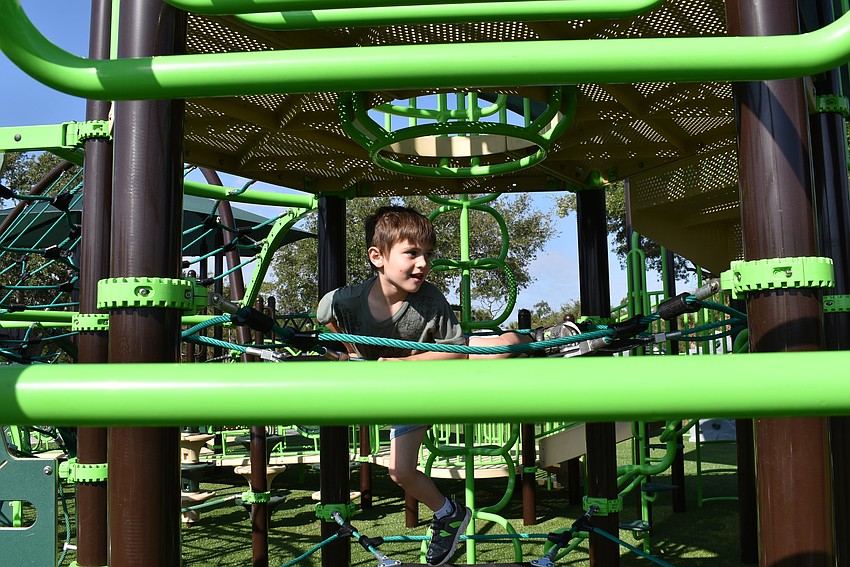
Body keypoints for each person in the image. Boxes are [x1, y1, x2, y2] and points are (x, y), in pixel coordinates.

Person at [316, 205, 529, 565]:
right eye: (412, 253)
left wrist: (407, 363)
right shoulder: (346, 301)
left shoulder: (428, 300)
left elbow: (455, 351)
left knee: (497, 349)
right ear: (377, 257)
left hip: (429, 375)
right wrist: (350, 352)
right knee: (399, 472)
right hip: (398, 387)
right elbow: (325, 316)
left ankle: (541, 340)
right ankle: (449, 513)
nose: (423, 264)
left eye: (427, 255)